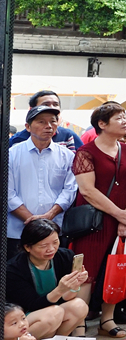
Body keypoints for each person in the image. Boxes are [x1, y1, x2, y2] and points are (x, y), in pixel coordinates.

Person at [70, 102, 126, 339]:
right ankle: (78, 323)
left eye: (125, 117)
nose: (125, 121)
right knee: (86, 273)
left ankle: (107, 319)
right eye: (118, 118)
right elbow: (88, 191)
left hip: (122, 220)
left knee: (116, 269)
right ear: (102, 124)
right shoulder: (86, 152)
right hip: (94, 222)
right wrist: (119, 213)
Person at [7, 104, 78, 259]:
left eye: (52, 122)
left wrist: (49, 216)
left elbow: (69, 190)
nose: (48, 126)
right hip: (17, 231)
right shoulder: (11, 155)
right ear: (28, 127)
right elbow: (7, 193)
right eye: (41, 122)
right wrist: (33, 222)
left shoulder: (67, 156)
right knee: (17, 277)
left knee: (50, 277)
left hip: (53, 233)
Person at [7, 219, 89, 340]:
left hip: (53, 312)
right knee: (54, 313)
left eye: (55, 242)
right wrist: (60, 290)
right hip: (24, 317)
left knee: (79, 306)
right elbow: (33, 305)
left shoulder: (65, 256)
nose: (51, 249)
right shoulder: (13, 269)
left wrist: (75, 285)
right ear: (28, 247)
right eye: (43, 246)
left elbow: (67, 298)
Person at [9, 90, 83, 151]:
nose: (52, 108)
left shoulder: (68, 136)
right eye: (46, 104)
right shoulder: (17, 141)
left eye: (55, 104)